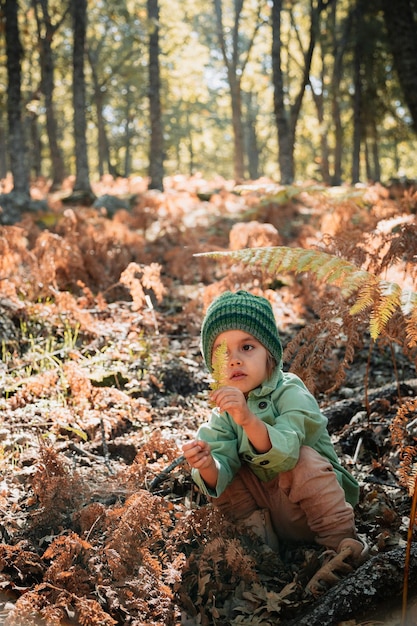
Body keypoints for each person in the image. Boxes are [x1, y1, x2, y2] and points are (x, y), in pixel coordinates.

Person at [182, 290, 368, 590]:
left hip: (314, 507)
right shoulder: (222, 413)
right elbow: (220, 471)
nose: (234, 360)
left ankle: (342, 547)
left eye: (247, 347)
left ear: (270, 353)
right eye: (221, 353)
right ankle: (258, 546)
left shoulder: (290, 391)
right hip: (268, 513)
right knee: (227, 469)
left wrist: (248, 419)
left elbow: (288, 452)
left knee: (304, 461)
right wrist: (207, 465)